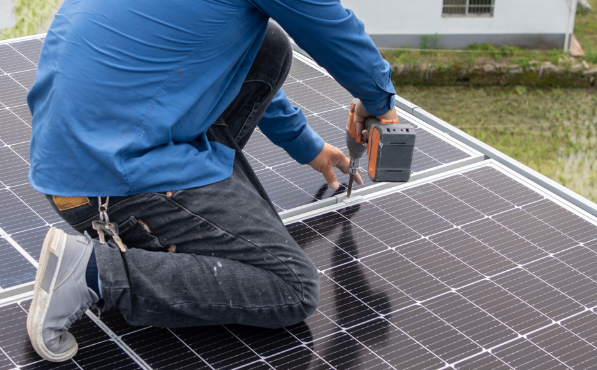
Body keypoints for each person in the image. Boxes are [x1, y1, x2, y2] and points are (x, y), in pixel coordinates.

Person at [24, 0, 399, 361]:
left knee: (269, 46)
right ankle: (92, 272)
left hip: (83, 147)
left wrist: (307, 145)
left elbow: (227, 59)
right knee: (292, 287)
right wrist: (380, 103)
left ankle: (191, 207)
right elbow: (333, 31)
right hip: (107, 177)